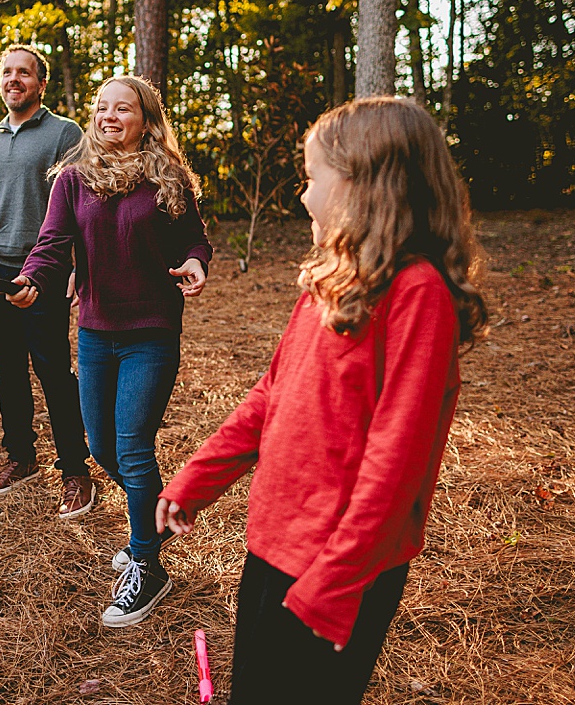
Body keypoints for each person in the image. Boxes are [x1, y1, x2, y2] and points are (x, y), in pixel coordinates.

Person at [156, 97, 488, 702]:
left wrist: (336, 585)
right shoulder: (327, 286)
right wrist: (195, 480)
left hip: (340, 571)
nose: (304, 198)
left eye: (314, 180)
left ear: (367, 188)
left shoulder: (417, 296)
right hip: (273, 548)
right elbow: (268, 399)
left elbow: (397, 462)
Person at [9, 74, 212, 628]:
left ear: (146, 119)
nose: (108, 116)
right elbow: (51, 244)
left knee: (133, 447)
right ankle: (154, 519)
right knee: (101, 449)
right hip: (96, 332)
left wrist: (196, 262)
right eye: (101, 107)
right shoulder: (74, 179)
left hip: (151, 332)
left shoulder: (167, 178)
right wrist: (33, 277)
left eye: (123, 109)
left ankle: (146, 564)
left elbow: (195, 238)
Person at [0, 44, 95, 518]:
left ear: (41, 82)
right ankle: (21, 458)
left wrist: (80, 265)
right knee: (7, 369)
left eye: (24, 73)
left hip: (44, 272)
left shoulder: (64, 134)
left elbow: (84, 206)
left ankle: (76, 470)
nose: (13, 79)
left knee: (53, 370)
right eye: (7, 72)